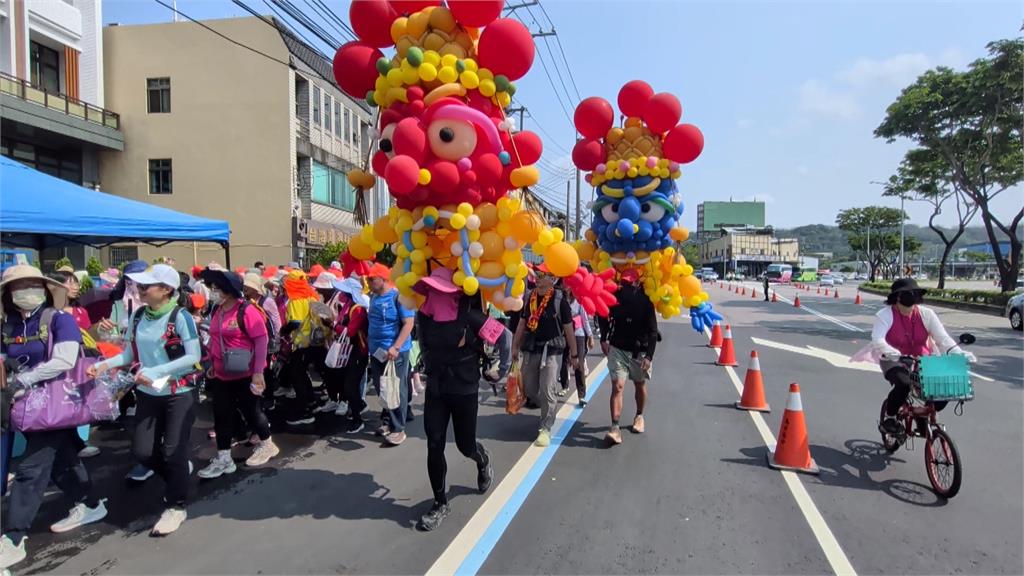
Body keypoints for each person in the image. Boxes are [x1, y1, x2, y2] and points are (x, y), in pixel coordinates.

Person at [0, 265, 106, 569]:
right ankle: (89, 504)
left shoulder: (59, 319)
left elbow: (65, 359)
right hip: (22, 406)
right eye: (19, 286)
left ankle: (14, 538)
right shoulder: (9, 326)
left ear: (45, 289)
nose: (26, 291)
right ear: (8, 294)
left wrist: (24, 380)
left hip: (53, 404)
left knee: (31, 470)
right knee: (63, 460)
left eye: (33, 284)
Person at [90, 264, 202, 536]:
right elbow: (129, 354)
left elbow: (193, 357)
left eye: (145, 286)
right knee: (143, 452)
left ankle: (176, 505)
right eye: (138, 286)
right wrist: (106, 365)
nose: (139, 290)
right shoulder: (139, 316)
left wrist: (156, 370)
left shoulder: (181, 317)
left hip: (179, 393)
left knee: (173, 450)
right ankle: (177, 477)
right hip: (148, 394)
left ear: (165, 290)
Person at [413, 267, 510, 531]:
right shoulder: (424, 316)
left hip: (464, 388)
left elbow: (505, 336)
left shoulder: (470, 317)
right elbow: (421, 345)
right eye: (430, 289)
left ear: (452, 292)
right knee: (434, 443)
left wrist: (502, 370)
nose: (433, 293)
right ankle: (439, 502)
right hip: (436, 388)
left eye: (437, 289)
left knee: (465, 446)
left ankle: (482, 459)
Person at [855, 279, 976, 435]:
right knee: (903, 384)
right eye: (908, 294)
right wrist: (891, 351)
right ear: (897, 297)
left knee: (943, 388)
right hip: (894, 359)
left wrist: (959, 353)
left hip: (923, 359)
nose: (913, 298)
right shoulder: (884, 315)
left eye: (916, 294)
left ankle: (922, 414)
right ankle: (890, 417)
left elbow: (943, 339)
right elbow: (878, 339)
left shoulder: (927, 314)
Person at [196, 269, 279, 479]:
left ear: (229, 291)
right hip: (222, 375)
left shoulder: (247, 311)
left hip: (246, 373)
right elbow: (214, 339)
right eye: (212, 288)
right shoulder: (217, 310)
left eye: (217, 288)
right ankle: (224, 458)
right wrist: (211, 363)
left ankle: (267, 444)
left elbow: (261, 341)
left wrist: (258, 372)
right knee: (221, 415)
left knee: (252, 411)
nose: (213, 292)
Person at [511, 265, 578, 447]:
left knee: (548, 387)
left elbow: (568, 329)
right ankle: (548, 406)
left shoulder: (560, 301)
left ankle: (546, 427)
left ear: (552, 279)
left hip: (552, 350)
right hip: (532, 348)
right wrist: (515, 346)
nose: (538, 278)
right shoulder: (529, 297)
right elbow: (522, 324)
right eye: (537, 274)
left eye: (542, 275)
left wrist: (574, 354)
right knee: (529, 388)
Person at [597, 268, 658, 445]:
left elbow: (653, 330)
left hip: (639, 350)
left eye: (630, 282)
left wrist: (649, 356)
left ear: (637, 283)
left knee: (639, 383)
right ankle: (615, 428)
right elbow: (603, 316)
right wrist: (603, 338)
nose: (626, 286)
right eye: (624, 282)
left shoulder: (646, 300)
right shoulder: (614, 297)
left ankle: (639, 416)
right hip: (618, 348)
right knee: (618, 385)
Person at [48, 271, 101, 459]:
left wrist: (99, 329)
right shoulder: (49, 313)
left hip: (79, 363)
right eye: (69, 283)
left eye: (76, 283)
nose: (75, 286)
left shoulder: (81, 311)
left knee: (73, 402)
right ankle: (73, 446)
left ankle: (75, 443)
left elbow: (89, 337)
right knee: (59, 404)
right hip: (55, 364)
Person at [366, 264, 415, 446]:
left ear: (383, 278)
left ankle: (398, 428)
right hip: (377, 352)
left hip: (396, 353)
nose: (368, 282)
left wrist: (396, 347)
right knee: (382, 388)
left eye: (371, 279)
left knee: (396, 389)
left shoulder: (399, 297)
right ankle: (387, 421)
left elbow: (408, 323)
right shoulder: (373, 297)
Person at [321, 277, 369, 424]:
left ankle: (357, 418)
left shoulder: (358, 309)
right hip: (350, 351)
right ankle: (356, 409)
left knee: (351, 385)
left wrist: (332, 325)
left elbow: (350, 332)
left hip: (357, 352)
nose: (341, 293)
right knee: (348, 384)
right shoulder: (349, 306)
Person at [277, 270, 322, 425]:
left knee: (297, 377)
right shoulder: (311, 296)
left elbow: (296, 321)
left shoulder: (296, 299)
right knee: (302, 374)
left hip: (302, 344)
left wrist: (284, 330)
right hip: (313, 343)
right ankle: (312, 403)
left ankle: (305, 413)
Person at [558, 291, 593, 406]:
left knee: (579, 365)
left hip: (578, 335)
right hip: (565, 335)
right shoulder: (562, 302)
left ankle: (581, 395)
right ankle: (564, 386)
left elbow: (585, 320)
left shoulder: (579, 303)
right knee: (564, 362)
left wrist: (590, 336)